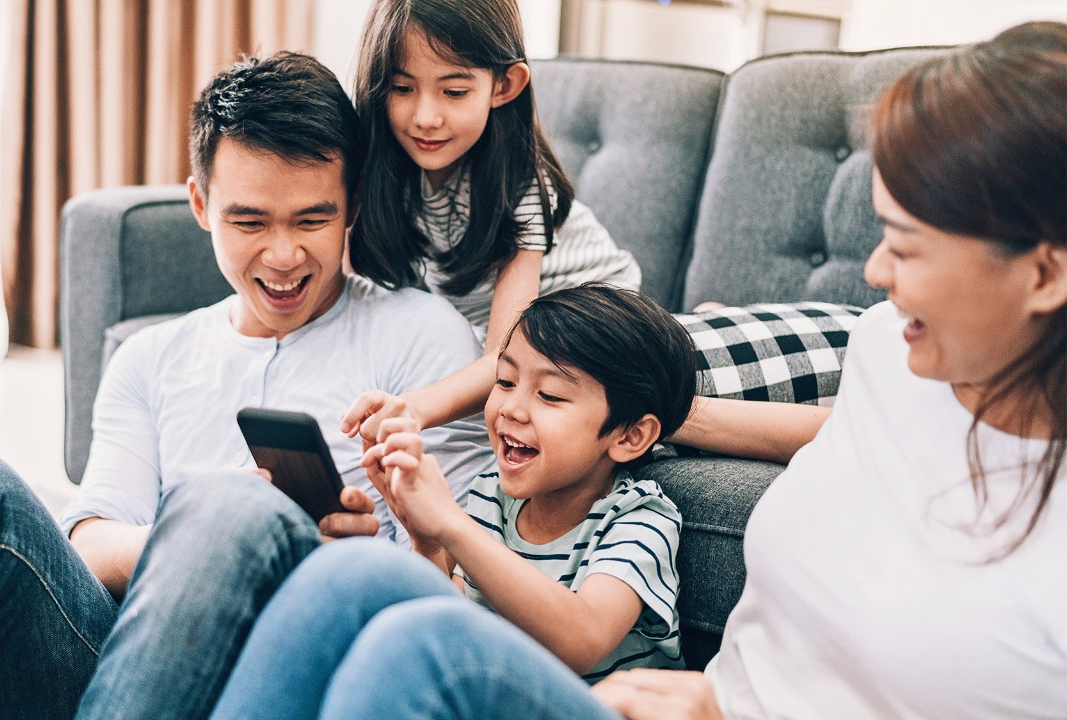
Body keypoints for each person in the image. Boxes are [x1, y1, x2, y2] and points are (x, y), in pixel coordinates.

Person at [221, 21, 1065, 720]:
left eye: (907, 246)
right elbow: (848, 433)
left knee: (421, 651)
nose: (874, 272)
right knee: (348, 575)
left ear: (1045, 272)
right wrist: (714, 700)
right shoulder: (889, 353)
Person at [0, 52, 492, 719]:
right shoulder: (151, 357)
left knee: (232, 510)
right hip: (118, 668)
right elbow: (90, 543)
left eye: (314, 219)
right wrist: (200, 539)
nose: (284, 256)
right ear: (199, 204)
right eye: (249, 221)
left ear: (355, 204)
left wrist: (330, 562)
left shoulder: (422, 340)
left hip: (290, 676)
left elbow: (464, 588)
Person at [210, 283, 698, 719]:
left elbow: (582, 639)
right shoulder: (494, 492)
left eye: (549, 395)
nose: (510, 407)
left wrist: (451, 527)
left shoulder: (638, 517)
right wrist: (424, 538)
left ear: (631, 437)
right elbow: (449, 613)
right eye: (505, 382)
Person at [342, 0, 642, 437]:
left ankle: (695, 317)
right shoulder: (383, 170)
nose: (425, 117)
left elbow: (506, 359)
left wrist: (414, 408)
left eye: (455, 92)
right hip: (504, 342)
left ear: (505, 85)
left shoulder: (521, 186)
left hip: (603, 319)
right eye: (402, 89)